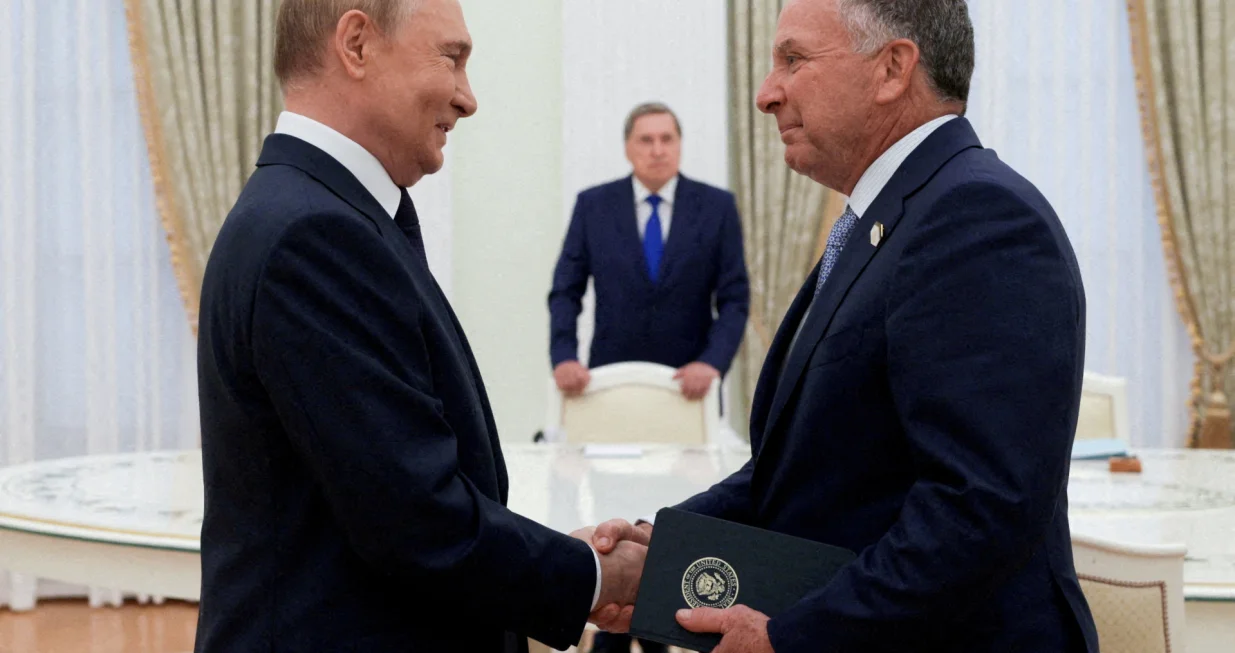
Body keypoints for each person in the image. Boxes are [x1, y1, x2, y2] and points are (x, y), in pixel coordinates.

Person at [588, 1, 1100, 651]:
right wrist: (661, 549)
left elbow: (977, 508)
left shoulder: (977, 217)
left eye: (793, 60)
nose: (765, 94)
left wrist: (791, 636)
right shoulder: (888, 218)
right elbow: (811, 469)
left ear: (891, 68)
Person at [194, 1, 643, 651]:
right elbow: (413, 518)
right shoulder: (313, 234)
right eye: (452, 58)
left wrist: (567, 563)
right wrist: (597, 574)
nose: (468, 98)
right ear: (356, 44)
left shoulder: (324, 213)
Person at [548, 103, 750, 404]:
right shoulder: (594, 206)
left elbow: (734, 299)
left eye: (667, 139)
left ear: (679, 145)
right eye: (646, 140)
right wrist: (564, 356)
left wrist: (712, 362)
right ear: (628, 148)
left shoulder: (716, 207)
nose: (658, 150)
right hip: (610, 382)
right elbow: (566, 291)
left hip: (690, 385)